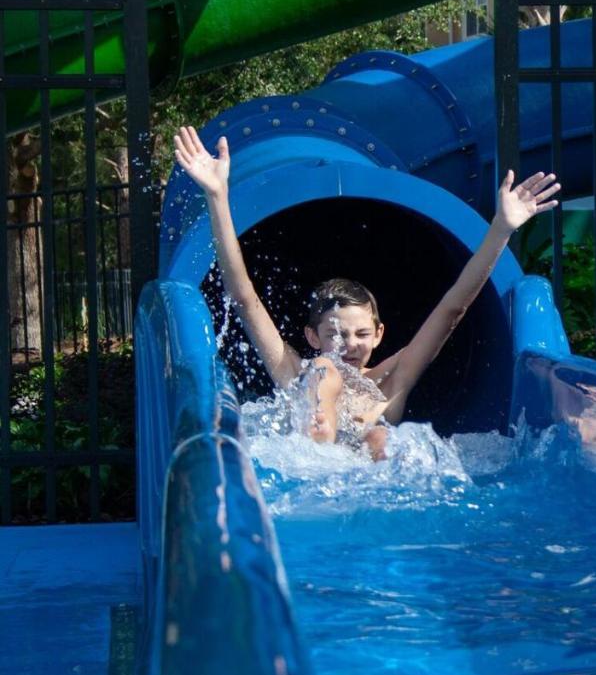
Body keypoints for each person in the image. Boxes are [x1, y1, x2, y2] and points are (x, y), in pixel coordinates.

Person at [172, 125, 559, 458]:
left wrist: (501, 230)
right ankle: (318, 427)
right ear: (311, 336)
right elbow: (244, 298)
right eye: (335, 334)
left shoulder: (393, 383)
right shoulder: (295, 375)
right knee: (324, 370)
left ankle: (358, 443)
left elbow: (453, 307)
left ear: (379, 335)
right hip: (309, 465)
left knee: (378, 434)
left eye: (360, 334)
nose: (349, 344)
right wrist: (217, 197)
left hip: (367, 482)